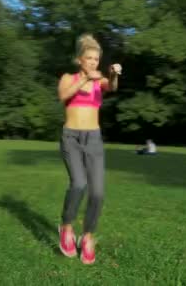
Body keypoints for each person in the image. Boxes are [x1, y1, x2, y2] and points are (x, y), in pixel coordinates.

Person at [56, 33, 122, 264]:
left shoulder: (99, 80)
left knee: (97, 192)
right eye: (89, 58)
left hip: (93, 139)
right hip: (71, 138)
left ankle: (88, 236)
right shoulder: (68, 78)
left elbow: (111, 86)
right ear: (80, 60)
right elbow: (63, 95)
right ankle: (66, 227)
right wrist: (85, 80)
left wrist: (113, 74)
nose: (94, 62)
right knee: (79, 184)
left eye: (96, 59)